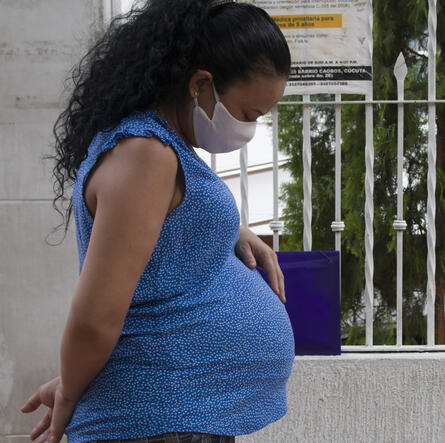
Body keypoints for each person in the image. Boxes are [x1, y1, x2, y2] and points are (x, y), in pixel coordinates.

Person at [19, 1, 295, 442]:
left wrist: (229, 229)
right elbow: (96, 316)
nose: (250, 130)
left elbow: (165, 225)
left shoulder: (160, 150)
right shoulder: (146, 153)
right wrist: (70, 392)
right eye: (248, 114)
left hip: (174, 416)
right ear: (201, 84)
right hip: (158, 419)